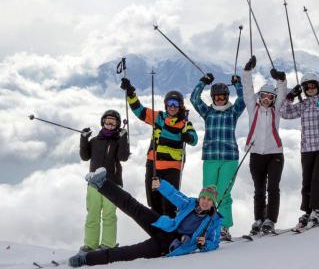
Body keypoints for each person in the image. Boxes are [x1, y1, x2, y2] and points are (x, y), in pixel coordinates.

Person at [68, 168, 221, 267]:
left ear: (213, 203)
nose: (205, 202)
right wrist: (161, 185)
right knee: (134, 206)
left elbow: (214, 243)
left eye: (209, 200)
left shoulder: (214, 221)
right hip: (165, 226)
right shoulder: (190, 204)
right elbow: (175, 194)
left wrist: (204, 244)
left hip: (168, 245)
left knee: (129, 252)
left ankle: (86, 259)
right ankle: (100, 183)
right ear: (200, 197)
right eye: (204, 198)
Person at [120, 78, 198, 217]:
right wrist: (131, 93)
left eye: (176, 104)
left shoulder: (185, 124)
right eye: (170, 103)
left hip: (172, 168)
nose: (172, 106)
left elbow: (194, 139)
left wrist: (188, 137)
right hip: (153, 165)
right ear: (166, 104)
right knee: (153, 202)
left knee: (169, 203)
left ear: (180, 106)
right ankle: (157, 234)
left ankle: (170, 234)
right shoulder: (158, 117)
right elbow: (139, 111)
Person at [190, 72, 245, 241]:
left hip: (229, 158)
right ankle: (206, 225)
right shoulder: (207, 112)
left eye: (223, 96)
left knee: (223, 193)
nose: (220, 99)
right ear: (213, 97)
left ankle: (223, 227)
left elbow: (242, 101)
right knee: (207, 194)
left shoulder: (233, 111)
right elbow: (194, 99)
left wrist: (238, 84)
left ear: (227, 96)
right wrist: (203, 82)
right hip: (211, 157)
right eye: (217, 97)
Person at [280, 72, 319, 229]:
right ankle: (307, 211)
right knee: (307, 180)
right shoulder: (302, 105)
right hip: (307, 147)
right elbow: (284, 113)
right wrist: (290, 96)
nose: (310, 89)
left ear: (318, 87)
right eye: (307, 87)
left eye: (313, 86)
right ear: (303, 89)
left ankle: (317, 210)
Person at [242, 56, 287, 234]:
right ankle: (258, 219)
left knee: (273, 188)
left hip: (274, 153)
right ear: (259, 97)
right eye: (263, 96)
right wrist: (247, 71)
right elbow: (247, 90)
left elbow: (282, 92)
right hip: (255, 154)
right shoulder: (253, 108)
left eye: (270, 97)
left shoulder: (276, 111)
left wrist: (281, 79)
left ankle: (270, 220)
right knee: (259, 189)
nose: (267, 100)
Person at [79, 109, 130, 252]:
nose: (109, 124)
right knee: (92, 214)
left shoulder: (118, 140)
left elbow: (123, 157)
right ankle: (90, 245)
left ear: (118, 124)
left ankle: (108, 244)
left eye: (113, 122)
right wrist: (84, 139)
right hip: (94, 183)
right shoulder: (95, 140)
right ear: (102, 122)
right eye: (107, 121)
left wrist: (123, 139)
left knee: (109, 215)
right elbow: (84, 156)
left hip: (112, 183)